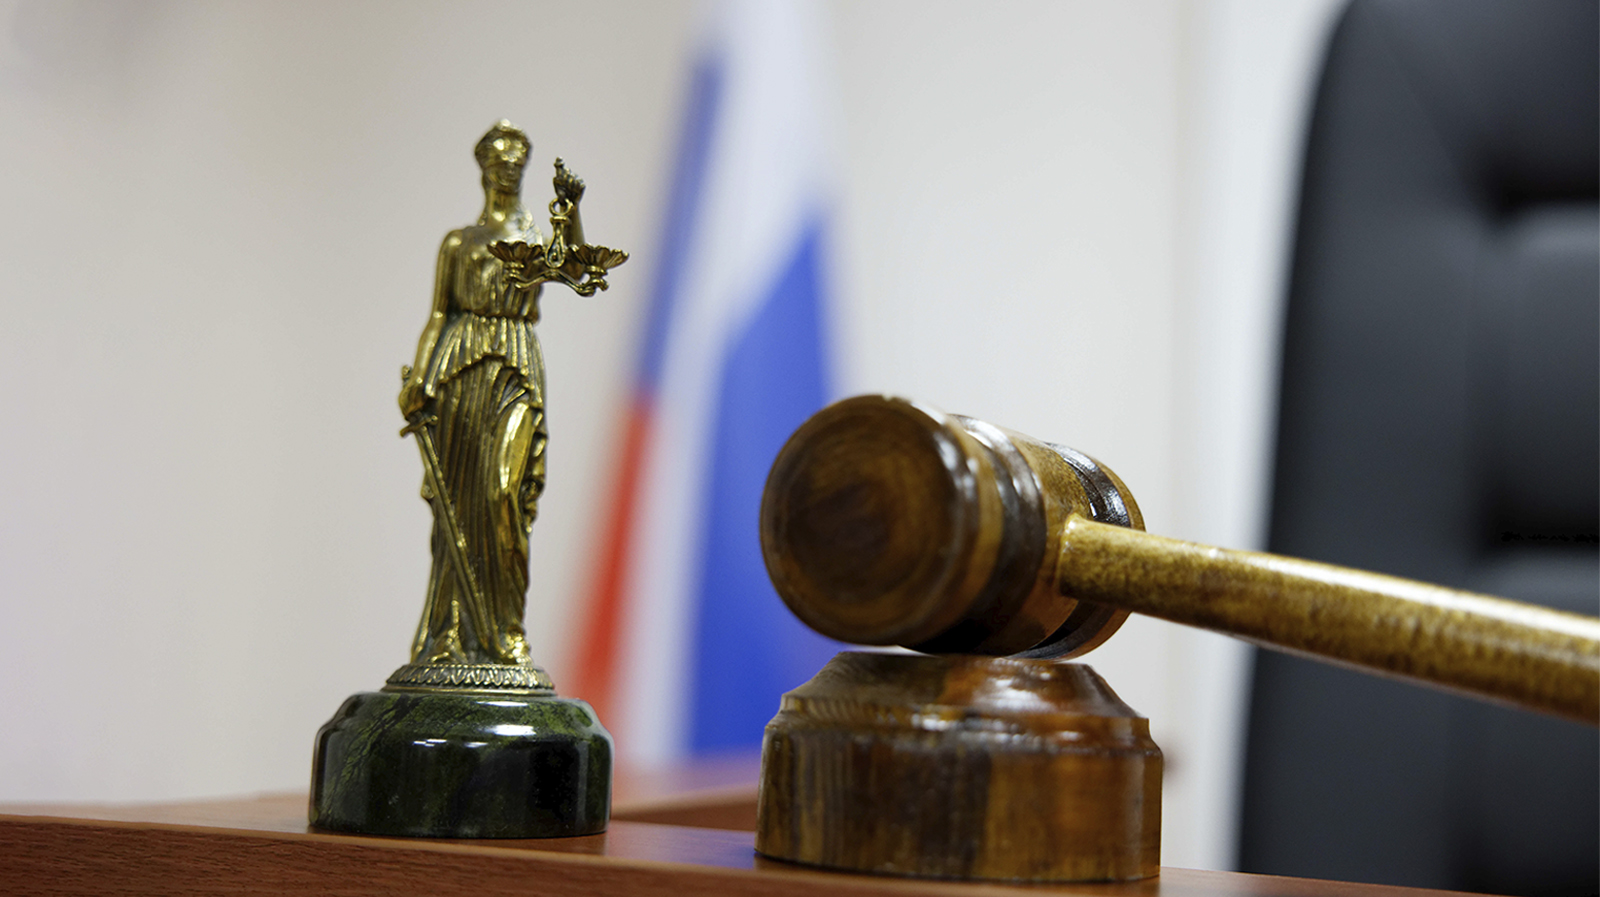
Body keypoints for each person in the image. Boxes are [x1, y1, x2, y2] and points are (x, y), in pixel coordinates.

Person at [397, 121, 584, 666]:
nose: (508, 171)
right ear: (483, 169)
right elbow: (439, 315)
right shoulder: (459, 243)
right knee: (457, 504)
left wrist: (571, 212)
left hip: (516, 364)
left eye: (516, 163)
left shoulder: (535, 237)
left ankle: (506, 630)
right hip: (460, 369)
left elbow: (575, 268)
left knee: (505, 495)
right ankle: (451, 633)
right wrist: (421, 379)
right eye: (500, 162)